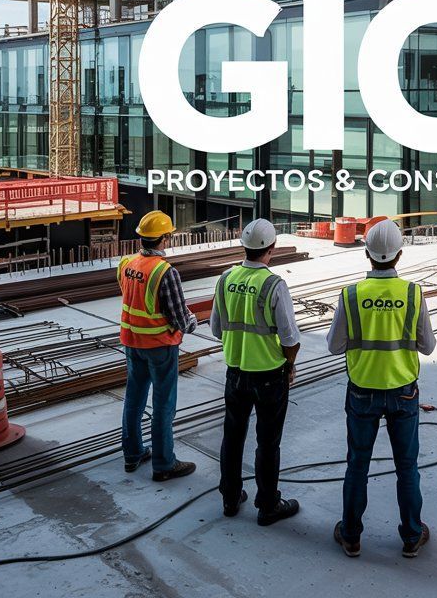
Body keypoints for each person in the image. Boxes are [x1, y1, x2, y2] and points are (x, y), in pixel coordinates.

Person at [327, 219, 436, 559]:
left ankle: (351, 536)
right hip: (403, 391)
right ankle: (411, 536)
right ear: (399, 255)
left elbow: (334, 345)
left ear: (367, 254)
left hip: (362, 392)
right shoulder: (412, 293)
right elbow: (428, 346)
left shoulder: (351, 295)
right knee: (407, 466)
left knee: (357, 465)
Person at [211, 218, 301, 526]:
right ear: (271, 249)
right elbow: (290, 338)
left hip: (235, 372)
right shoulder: (274, 284)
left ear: (244, 247)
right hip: (269, 375)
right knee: (267, 441)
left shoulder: (225, 279)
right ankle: (268, 505)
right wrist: (289, 366)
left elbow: (215, 328)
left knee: (232, 437)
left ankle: (230, 497)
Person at [119, 210, 198, 482]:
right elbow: (179, 317)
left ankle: (133, 454)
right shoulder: (165, 272)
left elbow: (134, 299)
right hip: (159, 345)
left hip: (132, 342)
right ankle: (164, 464)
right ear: (164, 239)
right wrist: (193, 322)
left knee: (134, 399)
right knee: (163, 405)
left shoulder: (127, 264)